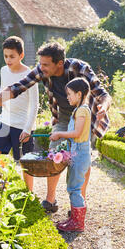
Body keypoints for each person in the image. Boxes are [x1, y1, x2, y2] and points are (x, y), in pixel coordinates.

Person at [0, 42, 112, 212]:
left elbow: (104, 94)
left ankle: (79, 204)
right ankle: (50, 200)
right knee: (54, 154)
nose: (41, 68)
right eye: (40, 64)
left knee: (81, 158)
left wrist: (103, 108)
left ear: (60, 64)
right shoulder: (41, 71)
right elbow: (16, 88)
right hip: (63, 115)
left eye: (46, 64)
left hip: (85, 115)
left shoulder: (80, 68)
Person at [0, 36, 39, 191]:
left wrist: (28, 129)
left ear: (21, 56)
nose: (8, 60)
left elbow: (35, 105)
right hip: (5, 121)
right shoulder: (3, 70)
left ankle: (29, 194)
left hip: (23, 126)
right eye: (5, 56)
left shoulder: (30, 75)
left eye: (12, 56)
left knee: (25, 162)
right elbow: (2, 91)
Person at [49, 78, 91, 231]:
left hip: (79, 153)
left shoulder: (81, 110)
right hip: (77, 152)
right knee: (72, 186)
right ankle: (74, 219)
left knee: (74, 188)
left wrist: (59, 134)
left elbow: (77, 133)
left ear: (79, 94)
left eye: (70, 94)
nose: (67, 97)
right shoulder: (79, 109)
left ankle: (78, 223)